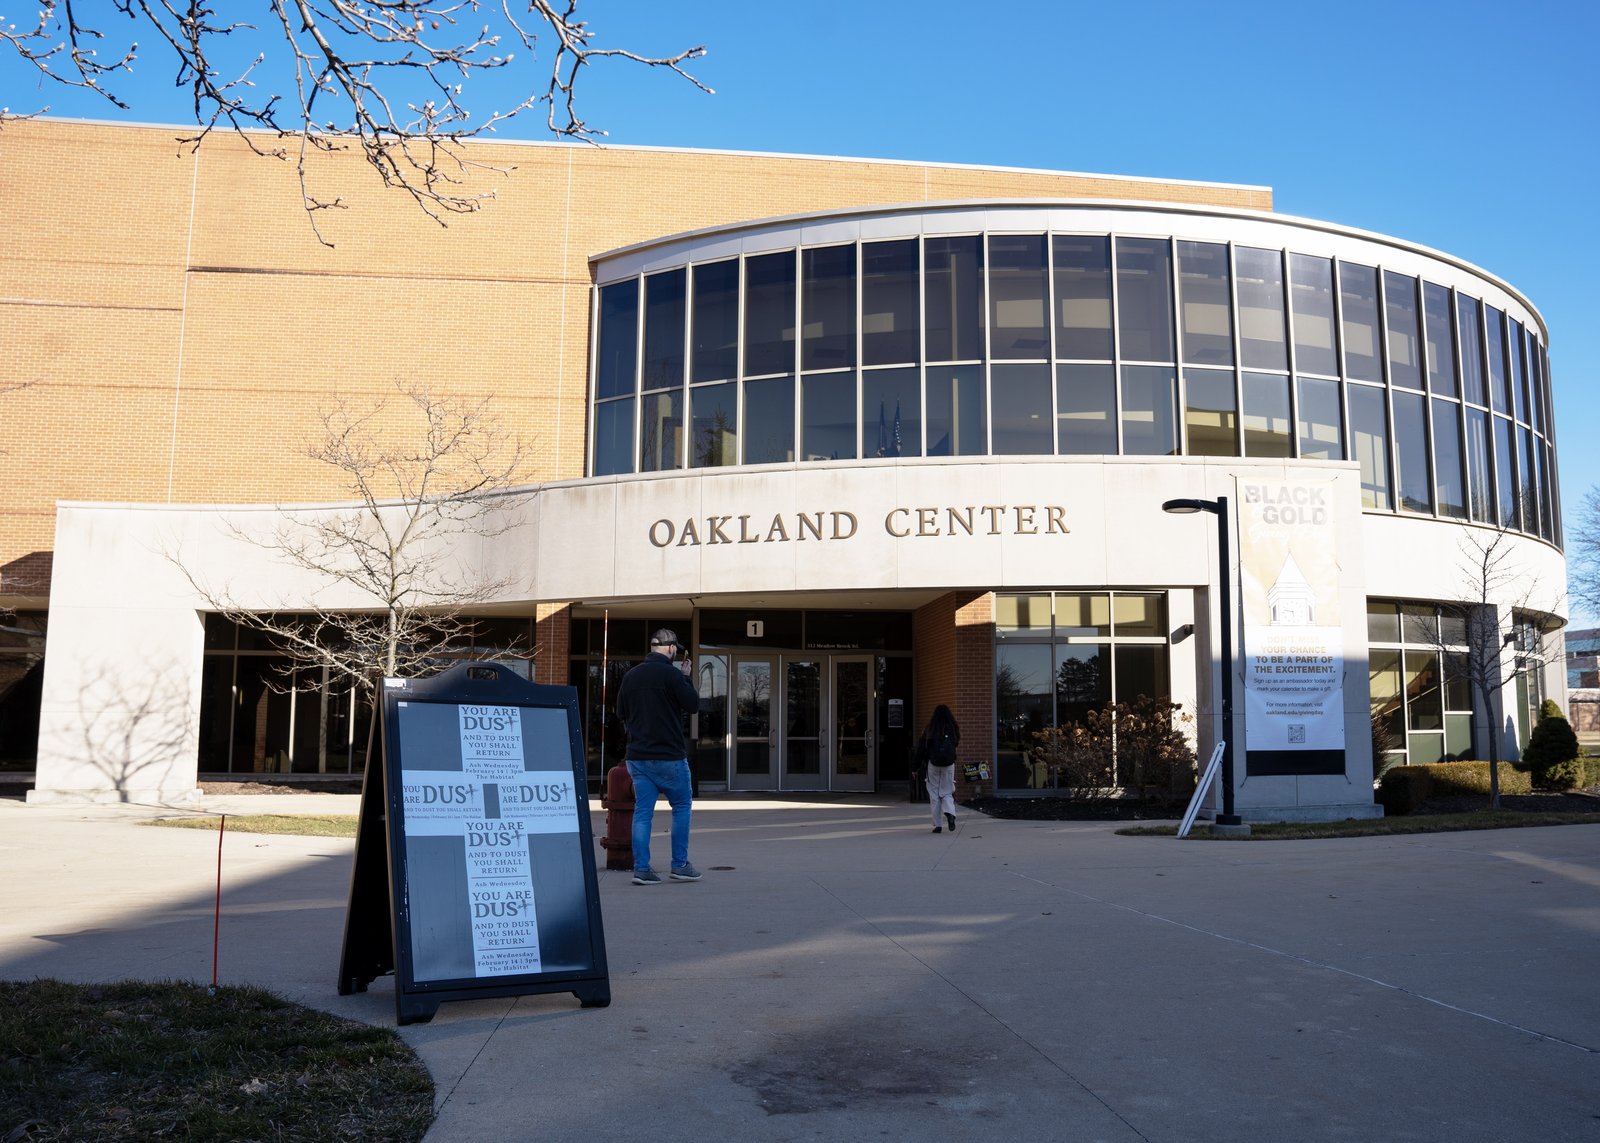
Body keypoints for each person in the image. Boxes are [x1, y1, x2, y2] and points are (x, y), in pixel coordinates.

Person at [615, 628, 702, 885]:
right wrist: (685, 678)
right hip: (669, 755)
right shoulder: (673, 675)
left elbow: (620, 713)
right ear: (672, 648)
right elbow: (693, 705)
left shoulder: (630, 676)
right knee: (682, 807)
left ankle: (642, 869)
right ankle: (680, 865)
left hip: (638, 756)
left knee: (643, 812)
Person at [917, 704, 961, 833]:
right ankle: (950, 813)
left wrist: (915, 767)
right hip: (949, 764)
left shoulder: (929, 728)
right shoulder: (953, 728)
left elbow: (921, 749)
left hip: (933, 764)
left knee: (934, 793)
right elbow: (956, 744)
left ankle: (938, 825)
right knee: (947, 791)